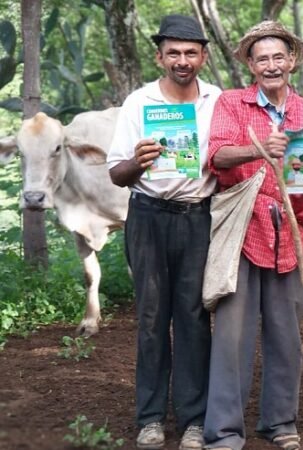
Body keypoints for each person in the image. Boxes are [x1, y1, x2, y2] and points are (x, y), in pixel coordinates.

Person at [202, 20, 303, 450]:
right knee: (232, 336)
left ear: (292, 61)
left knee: (286, 335)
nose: (271, 65)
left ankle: (280, 423)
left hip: (292, 236)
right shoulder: (232, 104)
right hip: (243, 232)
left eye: (278, 57)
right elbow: (216, 155)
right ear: (250, 64)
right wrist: (259, 148)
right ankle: (225, 432)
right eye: (261, 58)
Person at [106, 14, 221, 450]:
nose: (182, 60)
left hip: (197, 218)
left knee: (193, 317)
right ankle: (150, 417)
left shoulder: (217, 100)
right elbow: (118, 174)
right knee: (152, 319)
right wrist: (140, 160)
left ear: (204, 56)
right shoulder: (139, 103)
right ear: (159, 56)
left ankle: (194, 419)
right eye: (173, 52)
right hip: (148, 217)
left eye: (191, 52)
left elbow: (229, 156)